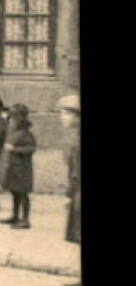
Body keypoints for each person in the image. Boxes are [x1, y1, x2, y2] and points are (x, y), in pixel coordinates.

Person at [0, 103, 36, 230]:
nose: (11, 120)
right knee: (15, 193)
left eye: (13, 118)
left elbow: (31, 148)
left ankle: (25, 220)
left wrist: (15, 149)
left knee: (23, 194)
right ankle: (15, 216)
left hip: (22, 170)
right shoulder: (13, 131)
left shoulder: (26, 133)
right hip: (12, 168)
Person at [58, 94, 80, 253]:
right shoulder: (75, 136)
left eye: (66, 113)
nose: (62, 117)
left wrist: (70, 193)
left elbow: (76, 172)